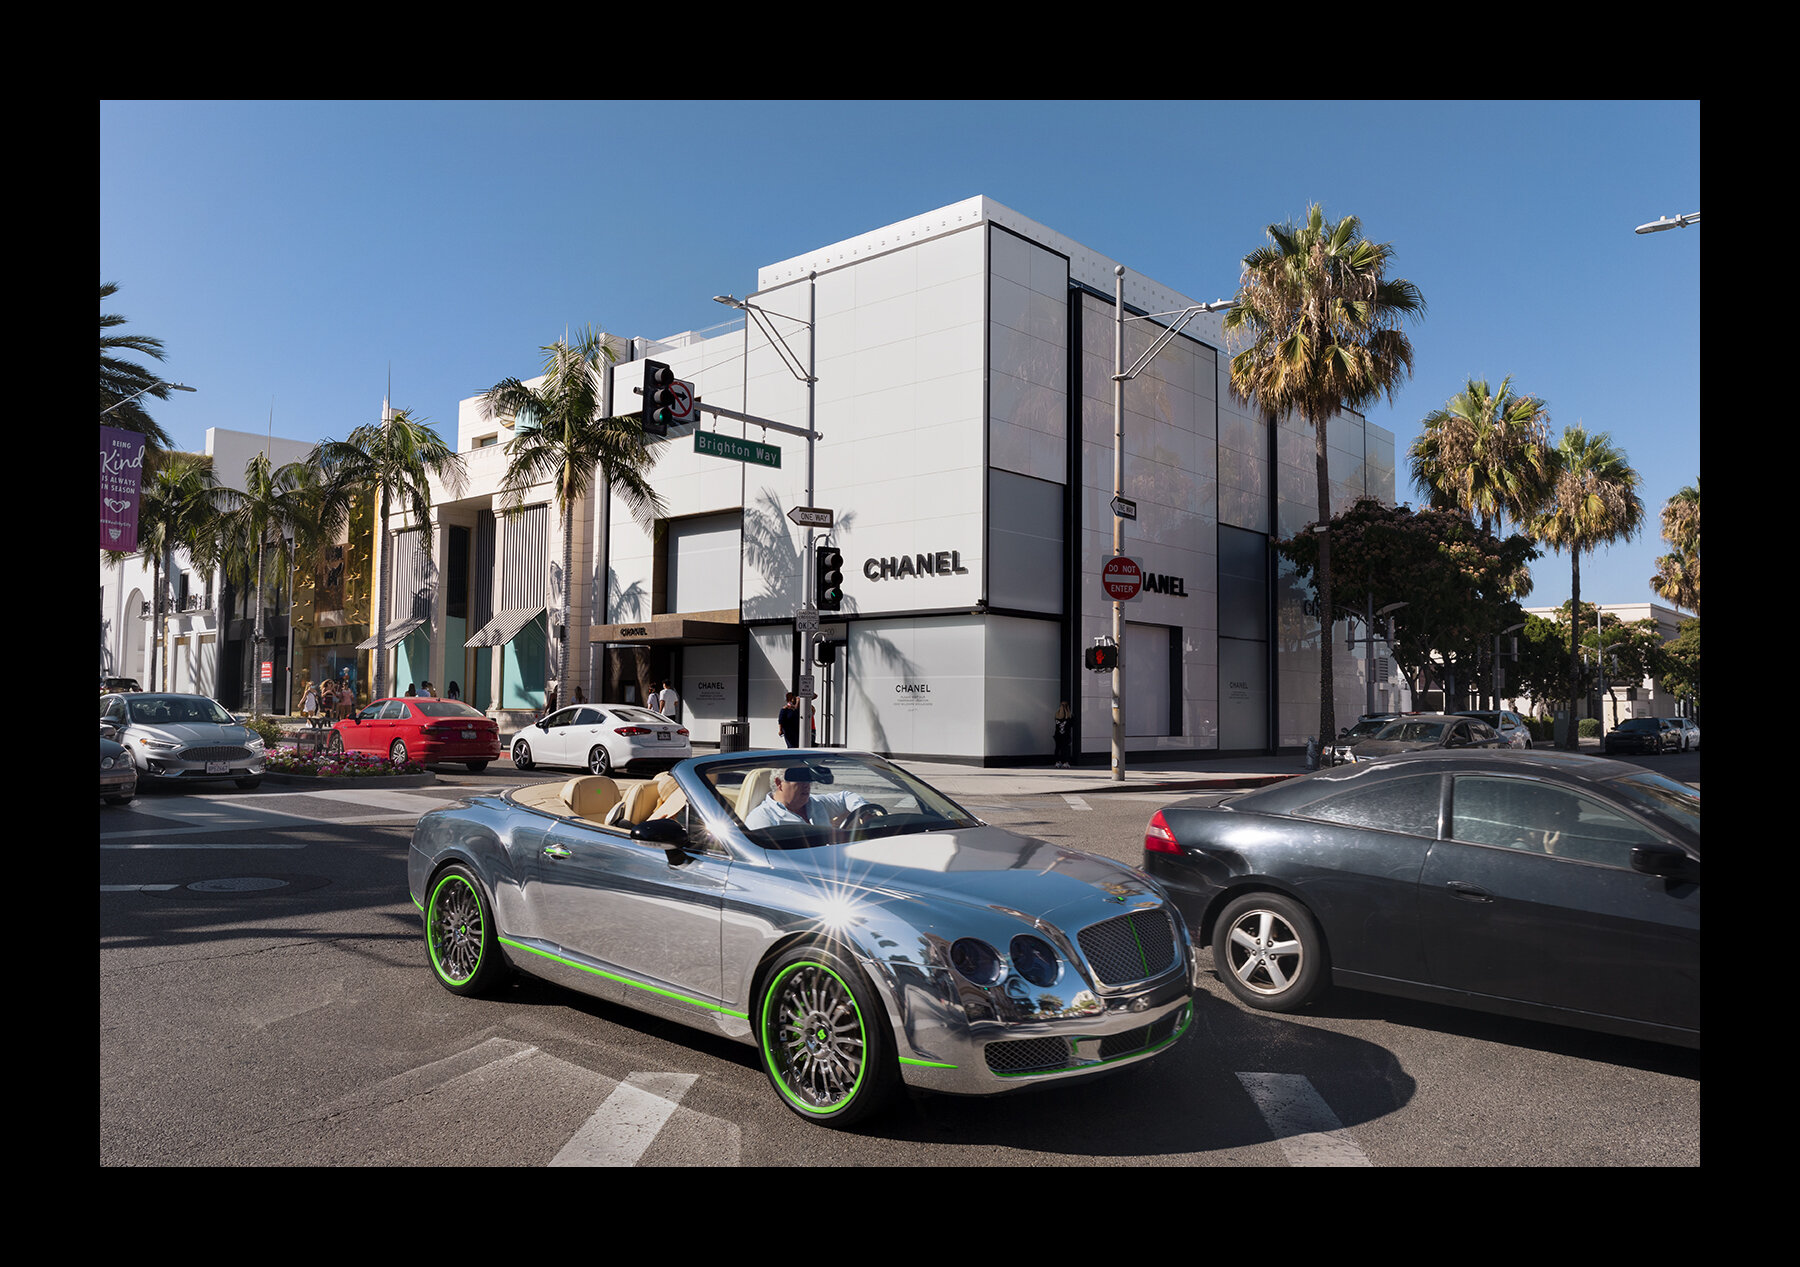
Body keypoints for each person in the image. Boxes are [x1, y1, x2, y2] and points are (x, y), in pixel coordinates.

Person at [743, 766, 874, 831]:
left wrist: (866, 813)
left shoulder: (816, 803)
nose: (807, 785)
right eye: (799, 780)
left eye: (808, 780)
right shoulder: (762, 818)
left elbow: (846, 797)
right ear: (779, 783)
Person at [1053, 701, 1072, 767]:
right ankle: (1065, 762)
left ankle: (1057, 762)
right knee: (1065, 749)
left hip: (1057, 735)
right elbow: (1071, 724)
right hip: (1065, 735)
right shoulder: (1069, 716)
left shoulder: (1057, 714)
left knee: (1057, 748)